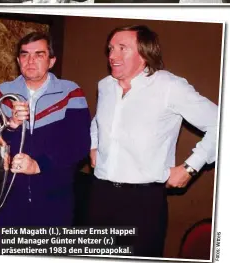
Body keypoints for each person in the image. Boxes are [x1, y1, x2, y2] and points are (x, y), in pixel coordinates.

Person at [89, 25, 218, 257]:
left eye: (122, 48)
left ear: (144, 53)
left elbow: (221, 124)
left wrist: (191, 167)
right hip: (100, 194)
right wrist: (94, 145)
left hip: (142, 202)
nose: (112, 56)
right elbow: (98, 120)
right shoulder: (105, 85)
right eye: (110, 48)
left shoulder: (169, 86)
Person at [0, 32, 91, 244]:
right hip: (8, 197)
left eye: (39, 55)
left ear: (51, 61)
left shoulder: (70, 92)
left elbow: (79, 144)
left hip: (55, 197)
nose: (30, 60)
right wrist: (12, 126)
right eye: (25, 55)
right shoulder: (2, 93)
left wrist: (39, 165)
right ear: (18, 61)